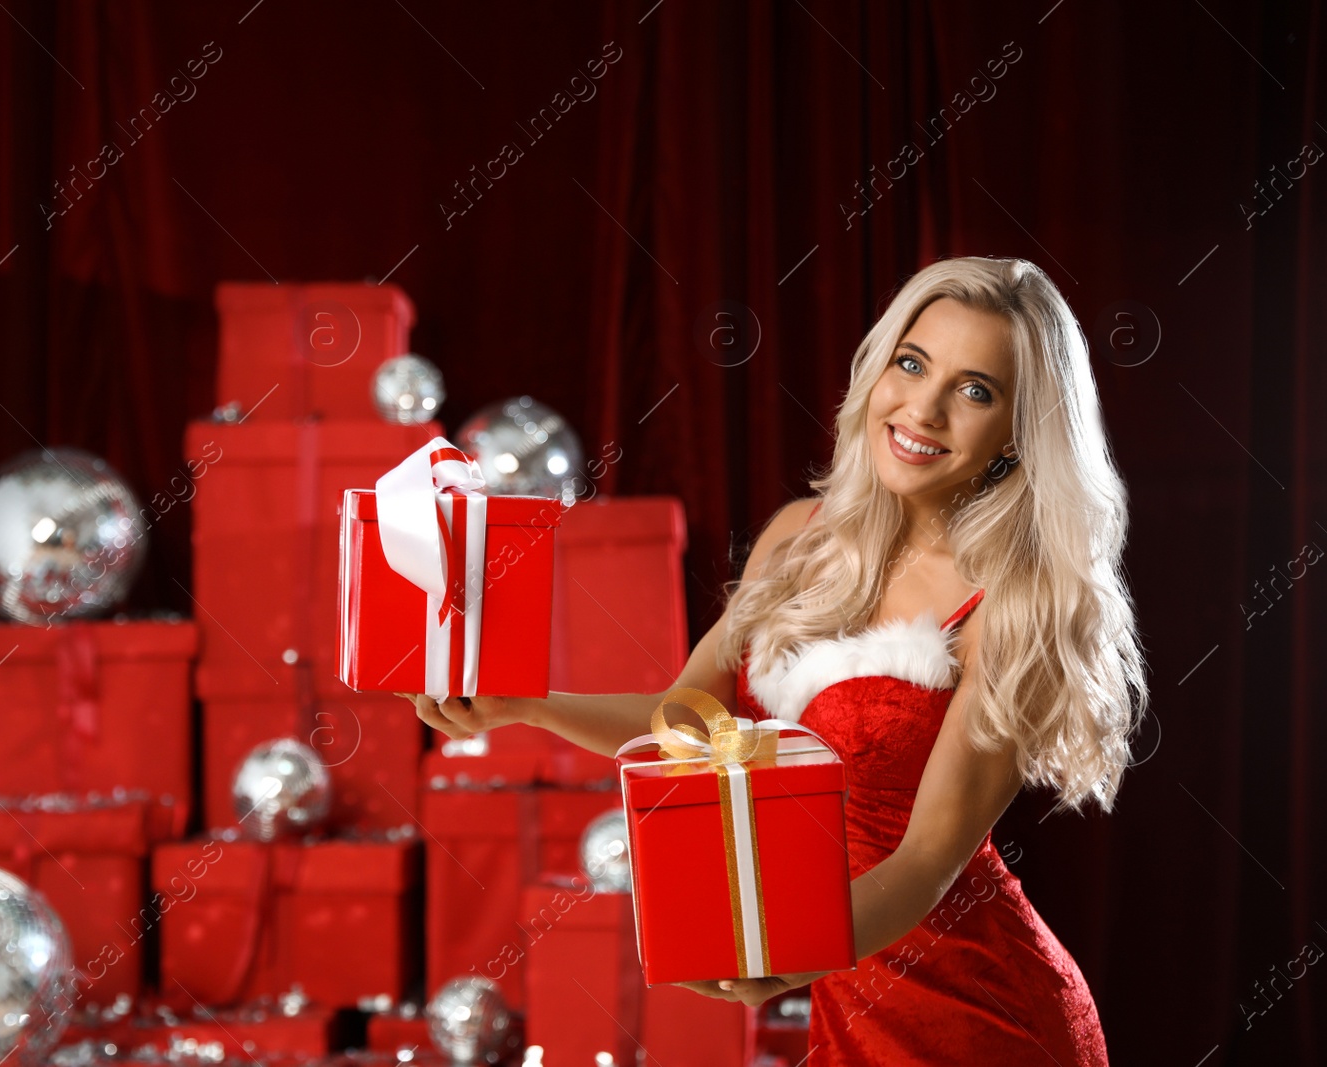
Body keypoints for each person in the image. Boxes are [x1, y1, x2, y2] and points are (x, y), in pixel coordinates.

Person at [402, 255, 1145, 1063]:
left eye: (976, 391)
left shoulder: (1015, 602)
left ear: (1016, 433)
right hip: (847, 1000)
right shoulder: (799, 536)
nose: (923, 409)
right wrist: (525, 702)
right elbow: (688, 721)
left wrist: (785, 954)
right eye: (912, 362)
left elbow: (929, 860)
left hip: (986, 1015)